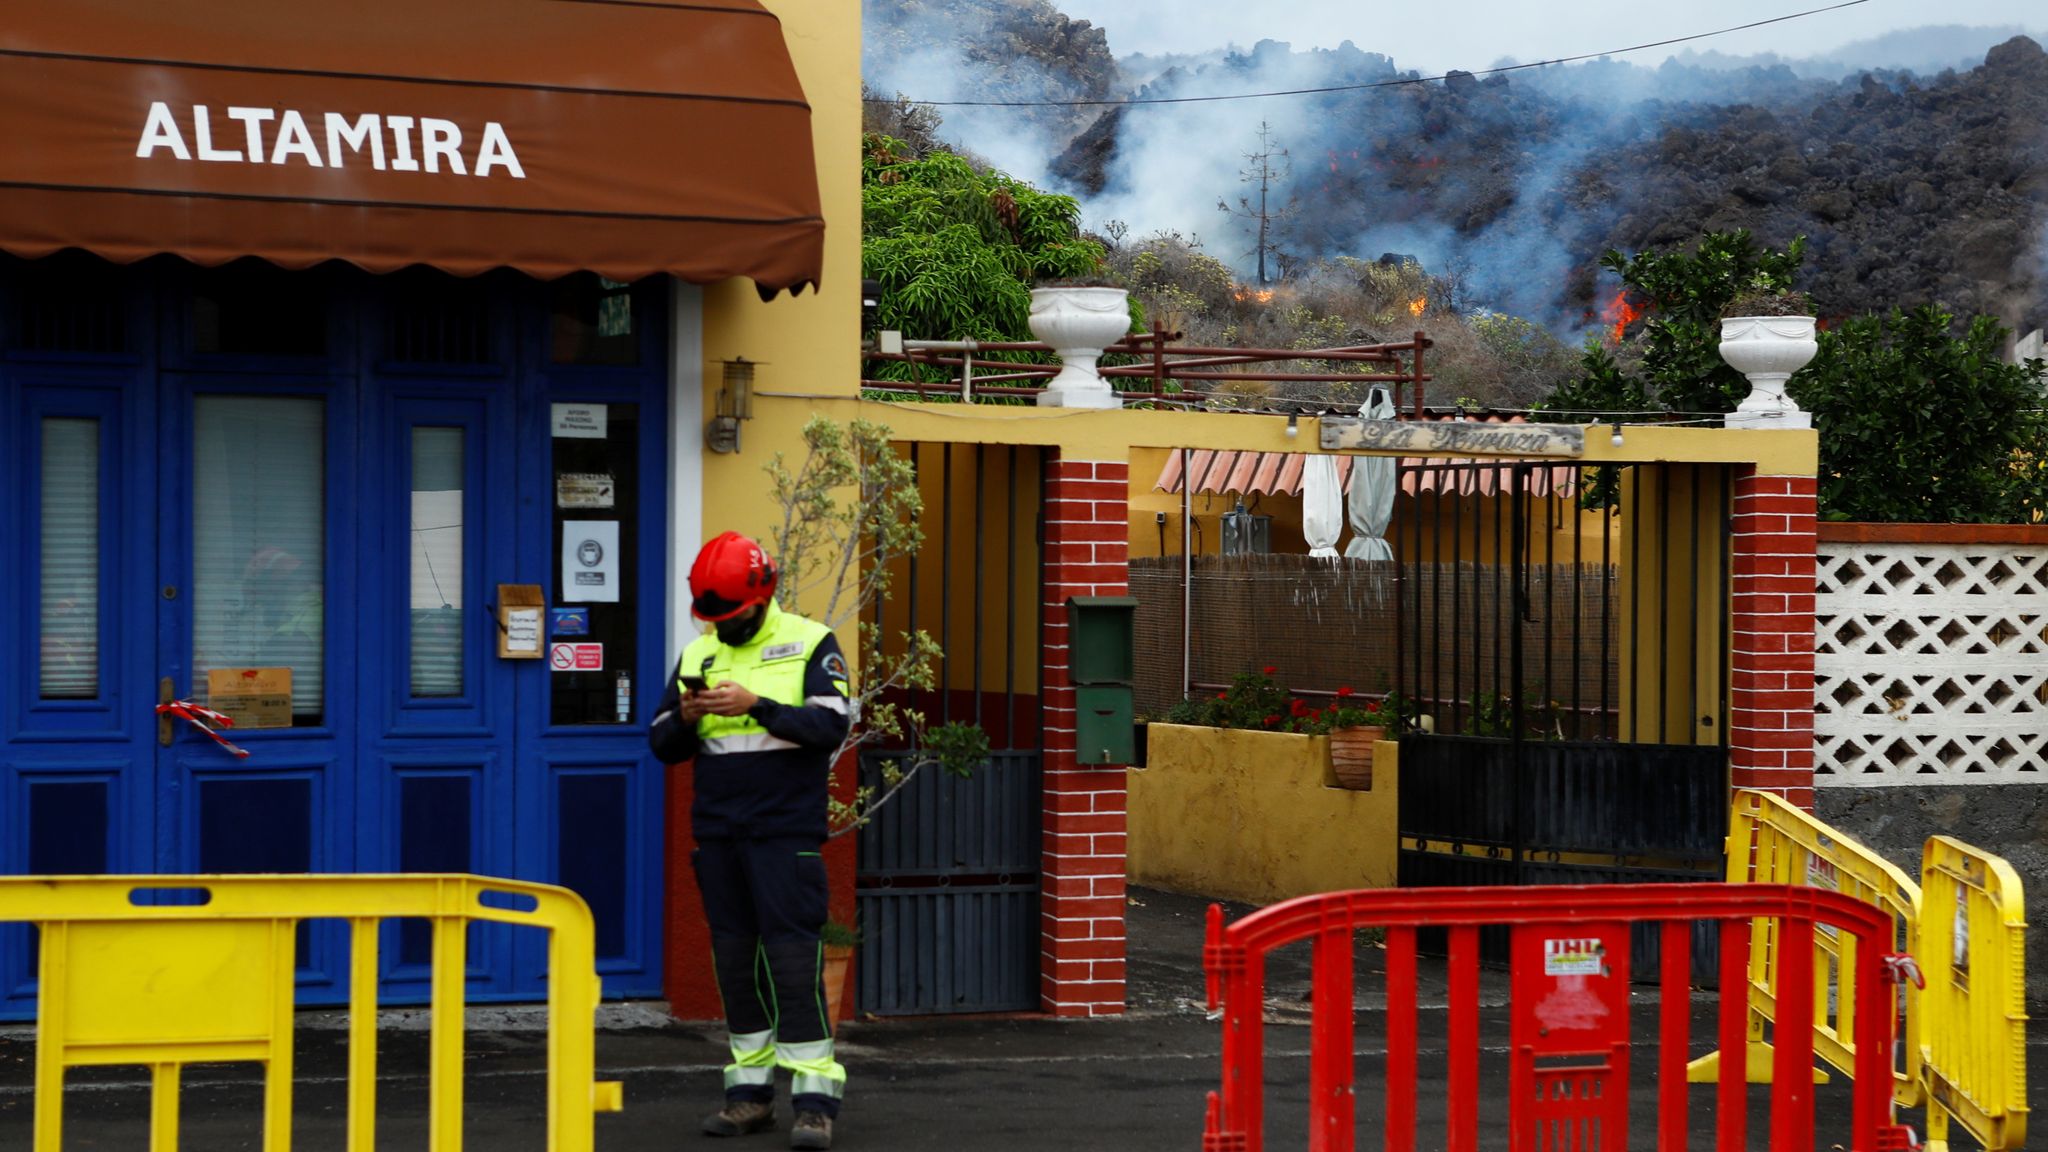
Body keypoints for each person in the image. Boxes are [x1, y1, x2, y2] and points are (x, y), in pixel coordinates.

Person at [649, 531, 852, 1150]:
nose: (724, 626)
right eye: (714, 618)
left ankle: (815, 1103)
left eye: (733, 615)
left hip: (783, 834)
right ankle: (748, 1098)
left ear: (763, 598)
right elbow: (660, 744)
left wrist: (756, 703)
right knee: (736, 967)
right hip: (719, 835)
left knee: (793, 965)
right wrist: (684, 719)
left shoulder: (810, 642)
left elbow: (831, 724)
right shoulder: (696, 656)